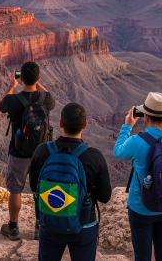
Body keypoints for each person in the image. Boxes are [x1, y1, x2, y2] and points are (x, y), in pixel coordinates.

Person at [29, 103, 112, 260]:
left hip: (50, 222)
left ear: (60, 123)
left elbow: (34, 186)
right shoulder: (95, 156)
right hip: (84, 225)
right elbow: (105, 196)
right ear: (85, 125)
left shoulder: (42, 151)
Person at [114, 92, 162, 261]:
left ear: (145, 116)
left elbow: (118, 152)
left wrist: (127, 126)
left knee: (142, 255)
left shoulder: (137, 142)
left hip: (141, 207)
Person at [0, 61, 55, 240]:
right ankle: (40, 227)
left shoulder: (12, 100)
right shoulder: (45, 99)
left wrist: (12, 85)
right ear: (38, 78)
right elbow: (48, 95)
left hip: (19, 151)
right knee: (41, 189)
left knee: (16, 189)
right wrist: (35, 82)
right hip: (42, 152)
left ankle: (13, 228)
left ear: (20, 77)